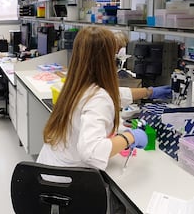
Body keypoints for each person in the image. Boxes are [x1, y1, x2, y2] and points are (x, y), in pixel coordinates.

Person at [37, 26, 148, 173]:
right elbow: (91, 152)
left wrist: (149, 92)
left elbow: (112, 95)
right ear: (107, 60)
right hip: (67, 183)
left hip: (46, 171)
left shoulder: (74, 85)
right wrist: (130, 137)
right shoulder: (98, 98)